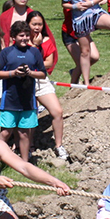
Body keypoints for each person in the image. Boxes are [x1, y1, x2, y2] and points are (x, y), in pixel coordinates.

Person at [0, 21, 46, 162]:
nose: (24, 38)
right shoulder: (6, 53)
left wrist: (30, 73)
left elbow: (43, 73)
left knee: (24, 133)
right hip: (10, 99)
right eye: (21, 35)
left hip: (28, 100)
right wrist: (13, 73)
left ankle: (25, 163)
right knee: (5, 132)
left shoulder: (34, 52)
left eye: (26, 35)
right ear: (13, 36)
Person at [27, 11, 66, 161]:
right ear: (28, 24)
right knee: (30, 114)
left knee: (57, 111)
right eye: (34, 24)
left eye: (40, 24)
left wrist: (33, 62)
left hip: (41, 80)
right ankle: (28, 146)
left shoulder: (47, 40)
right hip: (25, 81)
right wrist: (35, 47)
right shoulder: (22, 40)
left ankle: (58, 145)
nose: (37, 27)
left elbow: (49, 63)